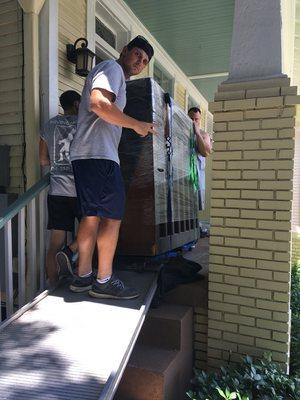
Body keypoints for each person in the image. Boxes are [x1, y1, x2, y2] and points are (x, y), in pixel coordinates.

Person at [69, 36, 157, 299]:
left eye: (144, 61)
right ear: (125, 50)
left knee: (92, 215)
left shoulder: (116, 75)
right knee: (112, 217)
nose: (139, 62)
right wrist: (136, 124)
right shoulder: (112, 68)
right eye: (137, 55)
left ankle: (83, 277)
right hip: (98, 156)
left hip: (91, 156)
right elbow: (98, 104)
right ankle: (103, 280)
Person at [39, 90, 81, 285]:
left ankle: (53, 285)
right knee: (94, 229)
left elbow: (43, 160)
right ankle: (71, 252)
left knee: (54, 243)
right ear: (77, 104)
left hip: (57, 191)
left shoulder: (49, 125)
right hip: (81, 190)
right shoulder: (83, 123)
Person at [188, 106, 212, 211]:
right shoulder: (182, 132)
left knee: (194, 208)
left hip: (197, 178)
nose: (193, 121)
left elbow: (205, 153)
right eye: (191, 118)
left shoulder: (204, 134)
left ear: (200, 119)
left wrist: (197, 133)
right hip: (184, 175)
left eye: (196, 119)